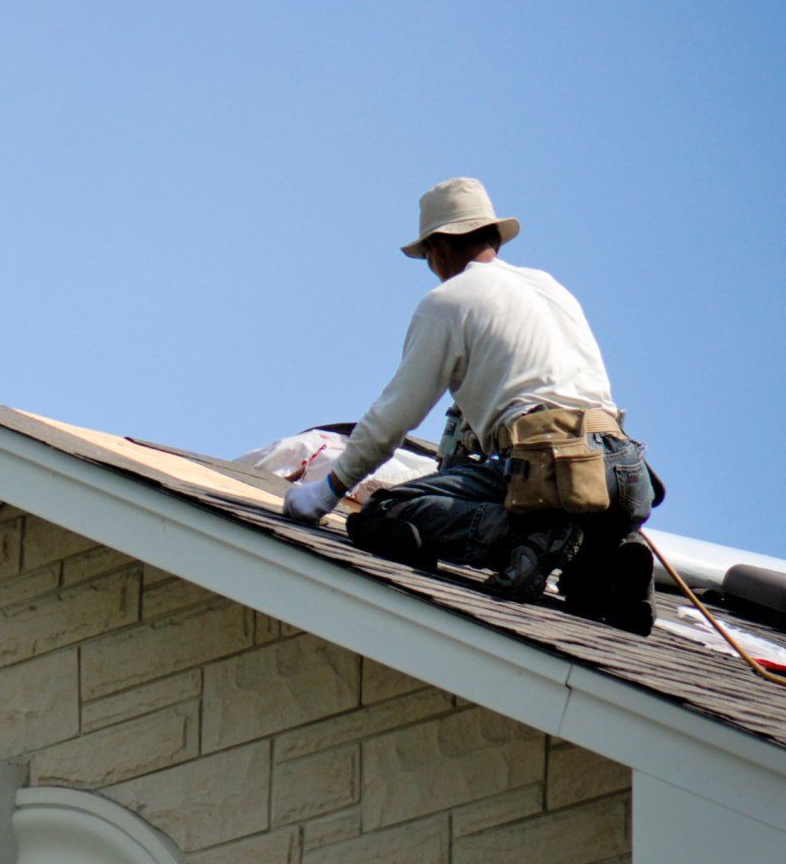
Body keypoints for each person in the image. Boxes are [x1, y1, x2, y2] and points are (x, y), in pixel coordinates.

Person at [282, 177, 658, 634]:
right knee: (583, 591)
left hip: (547, 468)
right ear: (493, 236)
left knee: (386, 514)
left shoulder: (449, 301)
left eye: (428, 258)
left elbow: (394, 417)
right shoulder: (549, 287)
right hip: (623, 471)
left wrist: (326, 492)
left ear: (439, 249)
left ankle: (524, 538)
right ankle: (606, 556)